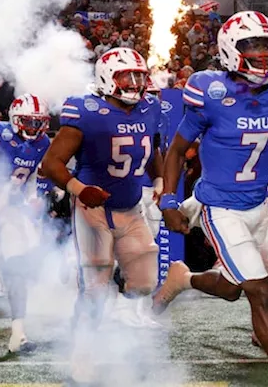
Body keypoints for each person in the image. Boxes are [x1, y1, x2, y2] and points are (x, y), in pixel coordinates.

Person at [148, 11, 268, 387]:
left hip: (257, 206)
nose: (263, 54)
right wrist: (170, 199)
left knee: (235, 289)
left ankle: (184, 279)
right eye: (252, 46)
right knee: (260, 290)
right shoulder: (211, 90)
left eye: (267, 46)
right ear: (230, 50)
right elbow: (176, 150)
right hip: (219, 207)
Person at [38, 50, 163, 381]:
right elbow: (50, 164)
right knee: (94, 288)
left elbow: (152, 148)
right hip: (93, 209)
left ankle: (116, 287)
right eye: (127, 77)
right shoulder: (87, 111)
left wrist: (162, 180)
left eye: (139, 76)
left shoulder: (149, 107)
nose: (135, 84)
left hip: (132, 207)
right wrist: (79, 189)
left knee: (145, 282)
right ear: (107, 77)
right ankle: (82, 354)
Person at [0, 92, 52, 356]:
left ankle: (18, 334)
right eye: (28, 121)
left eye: (38, 122)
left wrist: (32, 199)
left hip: (10, 206)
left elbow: (30, 179)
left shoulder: (42, 143)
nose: (34, 128)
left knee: (25, 262)